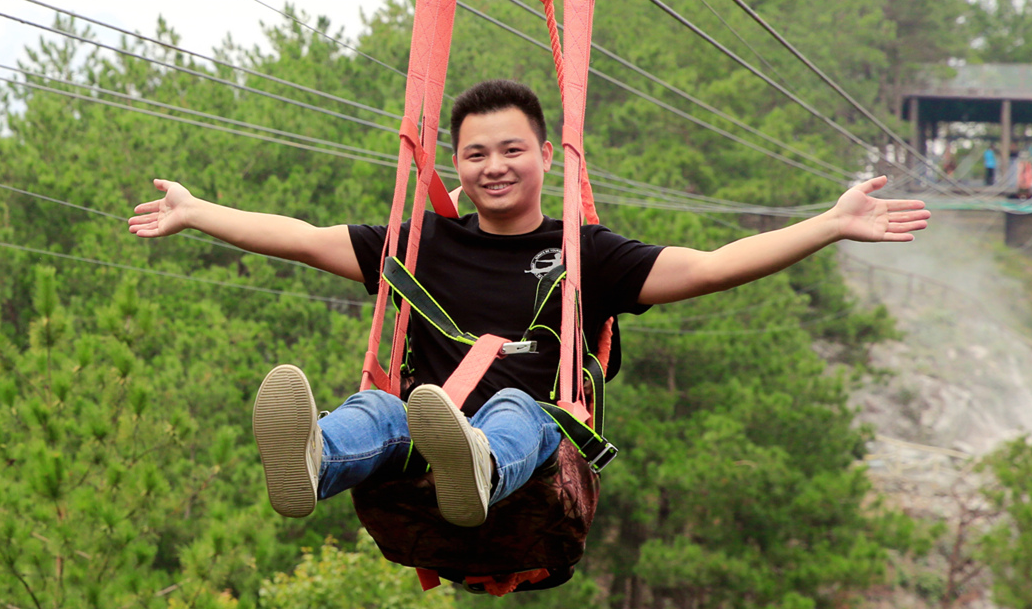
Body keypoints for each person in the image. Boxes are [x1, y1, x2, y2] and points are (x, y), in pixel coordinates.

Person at [128, 79, 930, 526]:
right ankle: (315, 460)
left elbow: (713, 267)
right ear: (456, 164)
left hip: (531, 447)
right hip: (421, 432)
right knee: (379, 410)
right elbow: (303, 236)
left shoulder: (587, 256)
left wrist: (828, 225)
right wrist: (200, 212)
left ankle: (476, 464)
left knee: (518, 408)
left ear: (546, 156)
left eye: (513, 150)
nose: (495, 166)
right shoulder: (420, 243)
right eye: (476, 154)